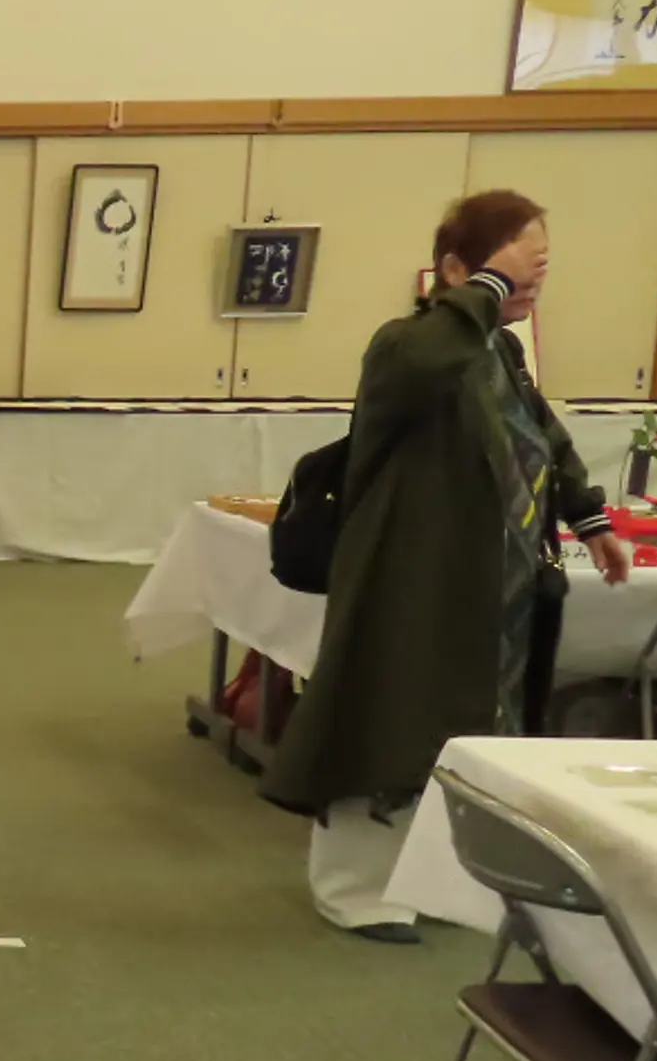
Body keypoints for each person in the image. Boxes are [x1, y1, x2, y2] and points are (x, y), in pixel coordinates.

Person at [261, 190, 630, 941]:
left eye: (539, 270)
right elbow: (427, 361)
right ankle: (357, 891)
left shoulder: (499, 353)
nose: (530, 284)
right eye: (517, 267)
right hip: (412, 582)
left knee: (465, 734)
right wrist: (487, 285)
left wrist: (589, 518)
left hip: (493, 588)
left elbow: (543, 436)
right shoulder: (406, 345)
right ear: (457, 270)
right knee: (388, 724)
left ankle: (438, 880)